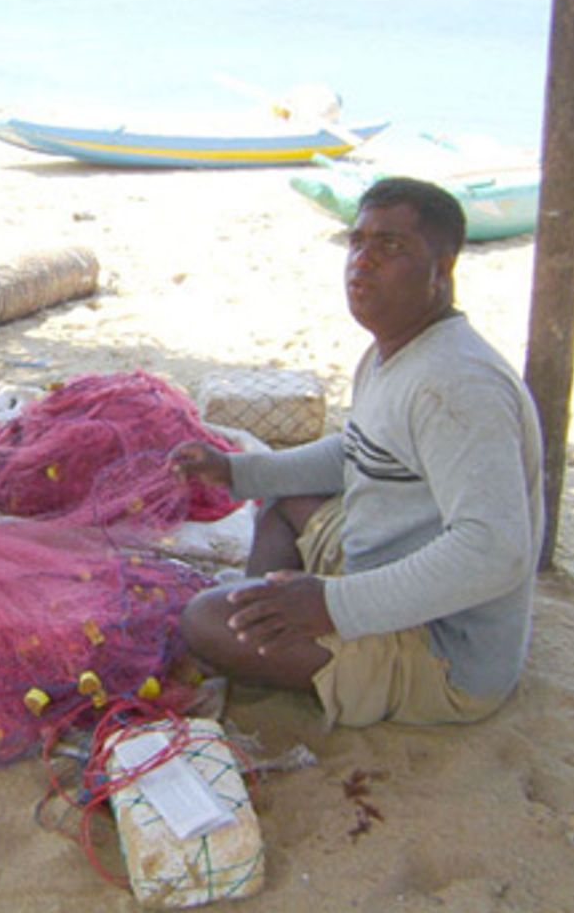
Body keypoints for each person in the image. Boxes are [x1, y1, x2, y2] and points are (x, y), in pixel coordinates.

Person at [171, 177, 544, 728]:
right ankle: (265, 612)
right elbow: (356, 452)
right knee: (281, 497)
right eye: (358, 242)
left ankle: (264, 626)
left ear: (442, 270)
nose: (363, 262)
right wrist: (238, 470)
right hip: (384, 567)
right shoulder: (393, 352)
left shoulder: (458, 385)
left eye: (391, 247)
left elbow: (495, 550)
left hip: (444, 650)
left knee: (203, 622)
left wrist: (330, 605)